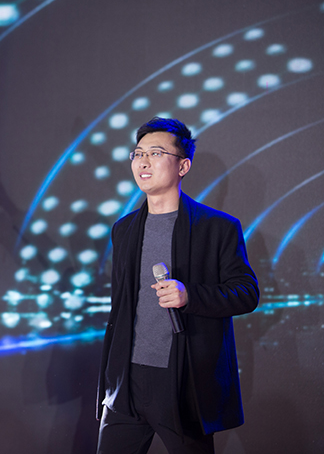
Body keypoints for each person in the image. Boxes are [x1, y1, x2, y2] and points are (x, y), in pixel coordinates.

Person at [96, 117, 259, 453]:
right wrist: (112, 379)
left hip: (182, 382)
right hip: (126, 382)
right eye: (138, 153)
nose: (143, 162)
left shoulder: (217, 227)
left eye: (156, 153)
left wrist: (190, 296)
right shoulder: (124, 229)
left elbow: (246, 293)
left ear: (183, 166)